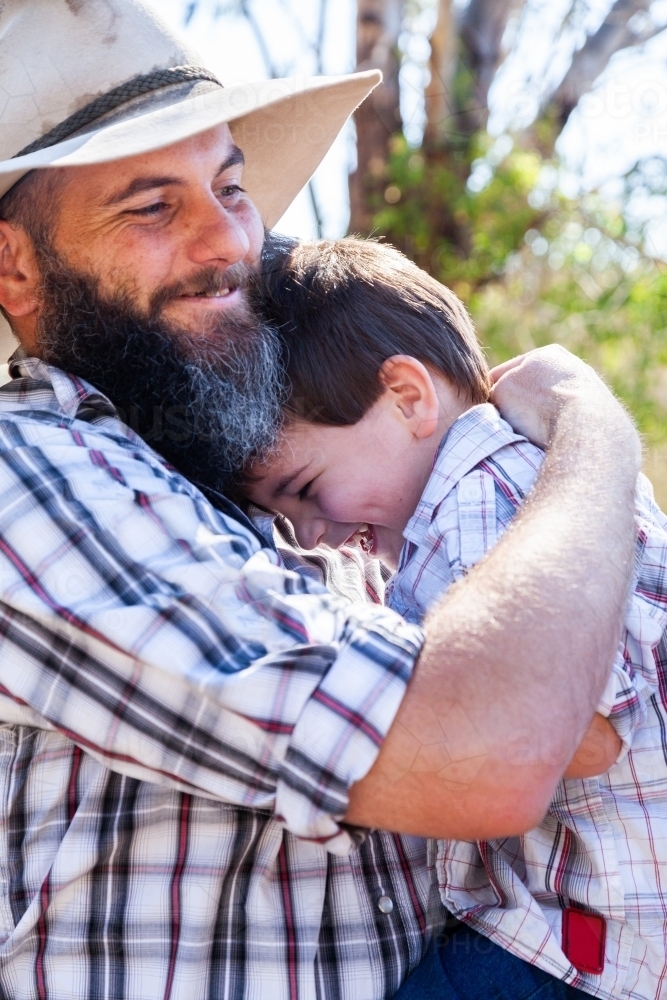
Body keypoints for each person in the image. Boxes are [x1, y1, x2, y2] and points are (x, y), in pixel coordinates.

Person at [0, 2, 640, 998]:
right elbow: (496, 749)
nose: (229, 244)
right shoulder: (27, 470)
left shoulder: (229, 470)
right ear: (17, 267)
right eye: (151, 207)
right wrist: (592, 425)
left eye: (230, 188)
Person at [245, 237, 667, 1000]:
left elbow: (588, 731)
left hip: (577, 940)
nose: (309, 533)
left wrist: (406, 693)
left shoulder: (480, 494)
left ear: (408, 397)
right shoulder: (536, 476)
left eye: (306, 488)